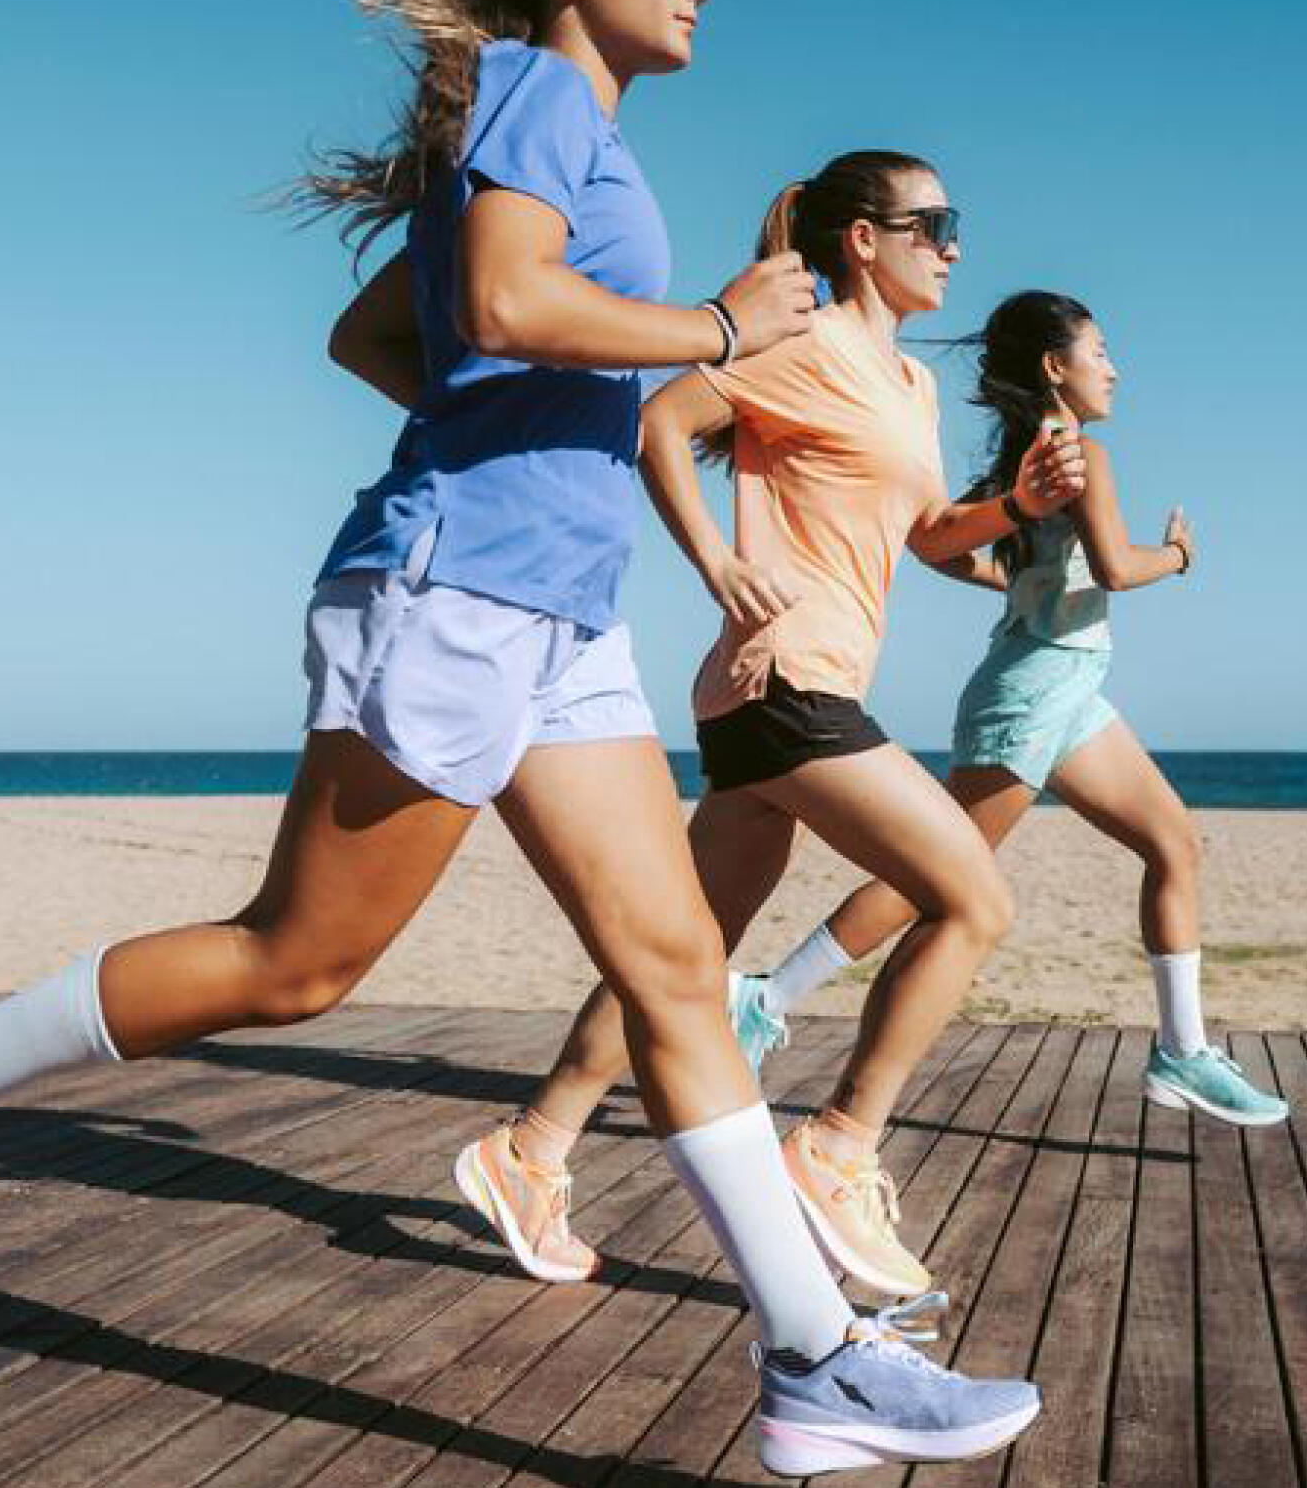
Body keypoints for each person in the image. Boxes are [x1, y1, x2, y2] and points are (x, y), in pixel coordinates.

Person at [0, 0, 1042, 1475]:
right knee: (299, 961)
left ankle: (816, 1362)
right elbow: (514, 302)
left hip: (562, 611)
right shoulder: (531, 88)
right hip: (459, 594)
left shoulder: (555, 126)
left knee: (677, 974)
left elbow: (389, 336)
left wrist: (505, 420)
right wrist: (721, 332)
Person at [454, 154, 1088, 1301]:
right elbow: (662, 420)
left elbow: (929, 533)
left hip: (786, 689)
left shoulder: (909, 385)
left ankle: (530, 1149)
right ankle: (840, 1145)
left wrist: (1018, 508)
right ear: (863, 240)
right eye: (933, 224)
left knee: (680, 960)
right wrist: (718, 561)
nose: (952, 246)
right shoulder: (794, 343)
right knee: (973, 898)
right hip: (786, 679)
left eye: (958, 224)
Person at [736, 289, 1291, 1128]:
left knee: (1174, 841)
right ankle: (767, 997)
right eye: (1099, 350)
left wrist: (1019, 584)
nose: (1114, 366)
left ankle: (1182, 1050)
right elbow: (1111, 568)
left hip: (1067, 688)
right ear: (1054, 367)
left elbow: (951, 551)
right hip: (1032, 693)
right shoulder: (1080, 455)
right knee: (938, 876)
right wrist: (1176, 556)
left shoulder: (1025, 463)